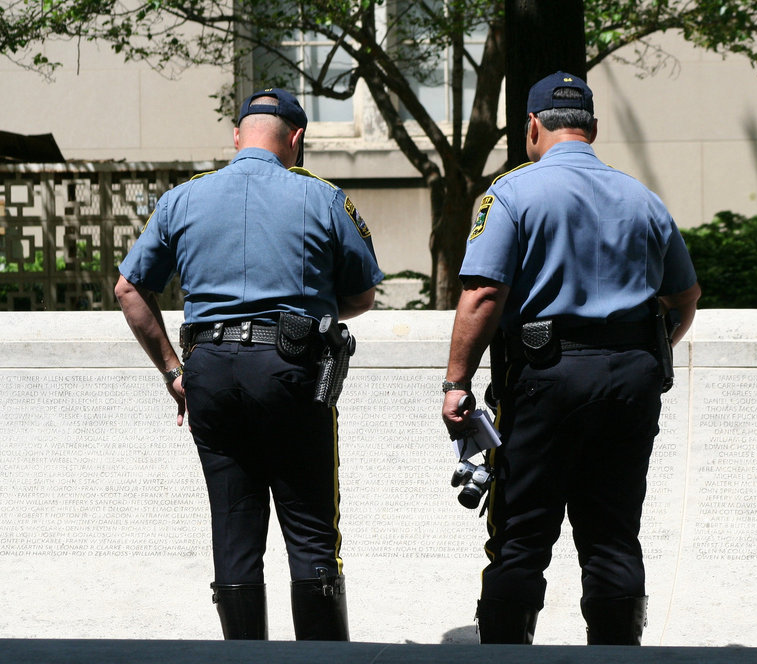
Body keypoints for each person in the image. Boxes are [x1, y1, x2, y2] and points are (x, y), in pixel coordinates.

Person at [442, 71, 701, 646]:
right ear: (593, 129)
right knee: (612, 533)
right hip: (631, 379)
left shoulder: (510, 194)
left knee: (521, 535)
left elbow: (484, 293)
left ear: (531, 126)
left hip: (547, 379)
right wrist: (648, 349)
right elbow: (685, 297)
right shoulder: (643, 197)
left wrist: (456, 382)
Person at [114, 88, 383, 641]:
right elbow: (364, 294)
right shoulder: (324, 198)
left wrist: (172, 369)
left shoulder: (182, 199)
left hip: (207, 367)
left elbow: (128, 288)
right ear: (297, 139)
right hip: (289, 369)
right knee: (309, 532)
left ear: (237, 137)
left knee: (234, 531)